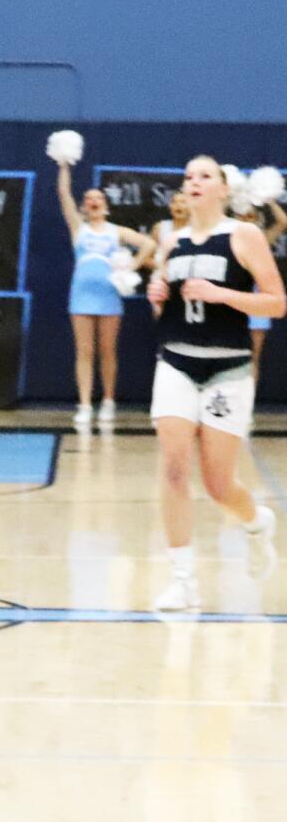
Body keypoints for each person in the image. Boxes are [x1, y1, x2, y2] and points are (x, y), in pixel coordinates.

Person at [147, 156, 285, 611]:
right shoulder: (171, 241)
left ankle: (257, 522)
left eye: (204, 175)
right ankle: (183, 579)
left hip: (227, 369)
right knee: (172, 464)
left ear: (224, 188)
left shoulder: (242, 236)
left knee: (218, 483)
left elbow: (277, 303)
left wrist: (221, 293)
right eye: (188, 175)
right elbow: (163, 306)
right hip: (176, 362)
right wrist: (157, 295)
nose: (194, 182)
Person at [56, 162, 156, 424]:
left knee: (108, 350)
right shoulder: (79, 229)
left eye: (98, 198)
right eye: (89, 199)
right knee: (84, 351)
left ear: (106, 205)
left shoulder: (116, 232)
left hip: (109, 295)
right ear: (84, 207)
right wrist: (64, 166)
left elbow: (148, 243)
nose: (94, 201)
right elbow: (64, 195)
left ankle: (109, 401)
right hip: (81, 295)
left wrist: (132, 265)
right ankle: (85, 405)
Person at [232, 198, 287, 379]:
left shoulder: (261, 240)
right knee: (228, 354)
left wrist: (269, 199)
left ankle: (247, 405)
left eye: (251, 216)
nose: (246, 220)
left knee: (252, 356)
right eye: (241, 216)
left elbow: (283, 222)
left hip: (257, 301)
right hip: (230, 300)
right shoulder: (225, 239)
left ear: (257, 220)